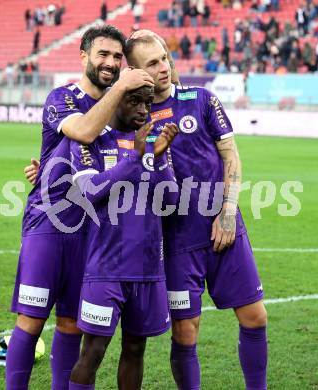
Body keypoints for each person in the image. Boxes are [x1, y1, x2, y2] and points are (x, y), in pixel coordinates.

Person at [7, 24, 154, 390]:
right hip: (50, 223)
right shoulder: (63, 98)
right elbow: (86, 133)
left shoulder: (122, 107)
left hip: (93, 231)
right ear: (84, 56)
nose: (110, 62)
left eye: (117, 57)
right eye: (102, 54)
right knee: (32, 319)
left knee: (71, 323)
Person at [125, 32, 268, 390]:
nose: (162, 67)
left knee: (255, 317)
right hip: (175, 241)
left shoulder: (201, 99)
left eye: (163, 58)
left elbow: (230, 155)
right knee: (185, 332)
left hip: (224, 226)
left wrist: (228, 212)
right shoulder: (133, 119)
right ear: (134, 71)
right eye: (151, 63)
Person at [68, 86, 179, 390]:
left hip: (146, 271)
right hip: (106, 270)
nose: (144, 109)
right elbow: (89, 192)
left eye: (147, 103)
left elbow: (169, 202)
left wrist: (160, 159)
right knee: (92, 353)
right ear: (114, 101)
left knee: (134, 349)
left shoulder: (152, 143)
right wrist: (135, 157)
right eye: (134, 101)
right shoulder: (91, 141)